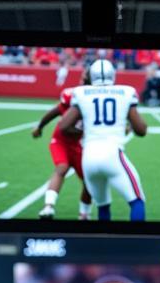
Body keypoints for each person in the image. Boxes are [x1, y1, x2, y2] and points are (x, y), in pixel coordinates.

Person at [57, 58, 147, 222]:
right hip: (112, 155)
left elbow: (63, 126)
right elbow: (141, 130)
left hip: (89, 158)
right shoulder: (126, 92)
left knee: (103, 206)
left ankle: (103, 244)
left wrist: (87, 129)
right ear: (113, 75)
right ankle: (137, 243)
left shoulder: (81, 92)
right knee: (137, 201)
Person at [32, 70, 94, 221]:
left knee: (89, 179)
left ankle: (84, 214)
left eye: (86, 78)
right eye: (82, 77)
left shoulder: (97, 99)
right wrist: (40, 127)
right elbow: (54, 112)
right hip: (61, 141)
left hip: (79, 145)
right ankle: (48, 207)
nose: (82, 80)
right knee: (62, 167)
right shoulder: (71, 96)